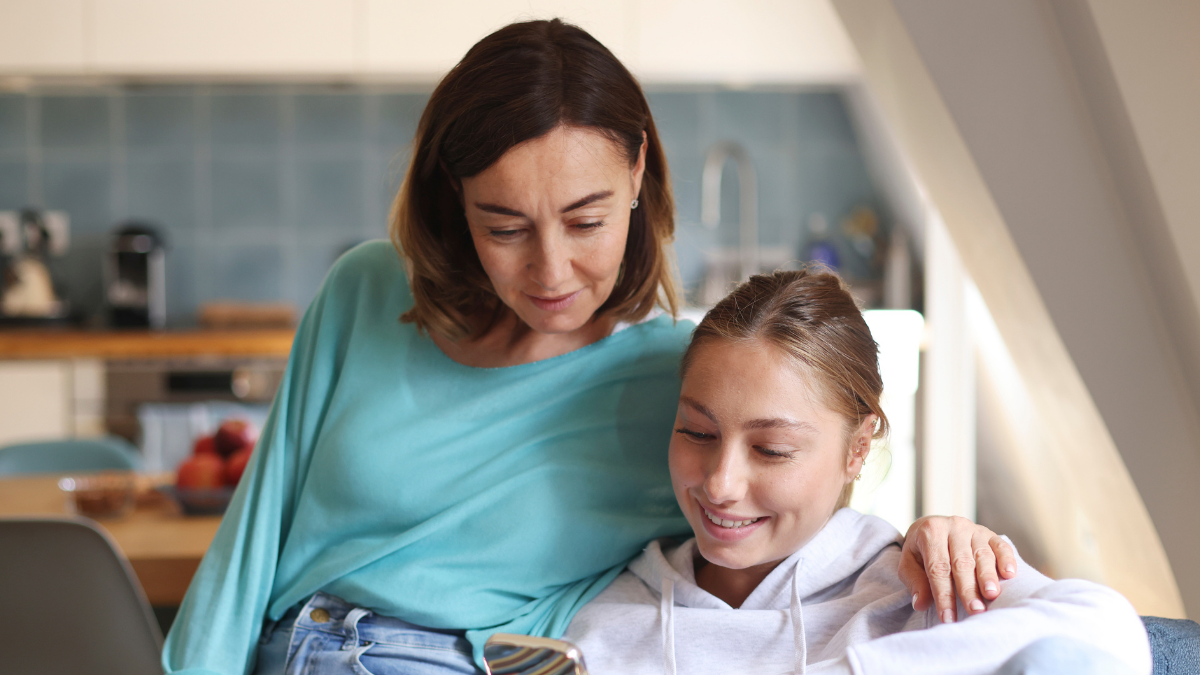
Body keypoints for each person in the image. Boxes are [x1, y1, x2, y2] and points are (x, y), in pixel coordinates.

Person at [162, 19, 1014, 675]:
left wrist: (931, 536)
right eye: (504, 226)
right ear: (454, 199)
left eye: (586, 220)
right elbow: (251, 539)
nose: (551, 270)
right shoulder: (367, 291)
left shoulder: (681, 383)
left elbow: (793, 512)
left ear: (639, 172)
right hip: (288, 644)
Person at [564, 269, 1152, 675]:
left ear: (857, 449)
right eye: (697, 432)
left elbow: (1108, 634)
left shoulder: (919, 587)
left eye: (771, 449)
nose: (720, 484)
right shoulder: (603, 615)